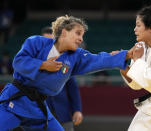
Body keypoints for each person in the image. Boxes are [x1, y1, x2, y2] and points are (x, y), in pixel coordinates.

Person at [0, 15, 133, 131]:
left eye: (82, 35)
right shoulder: (36, 42)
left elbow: (98, 59)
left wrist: (126, 55)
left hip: (37, 108)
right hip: (15, 101)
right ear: (64, 32)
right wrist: (43, 65)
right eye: (78, 33)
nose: (81, 39)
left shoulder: (76, 56)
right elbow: (19, 62)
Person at [41, 26, 83, 131]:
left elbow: (72, 88)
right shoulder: (33, 61)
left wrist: (77, 109)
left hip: (63, 114)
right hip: (40, 115)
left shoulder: (66, 61)